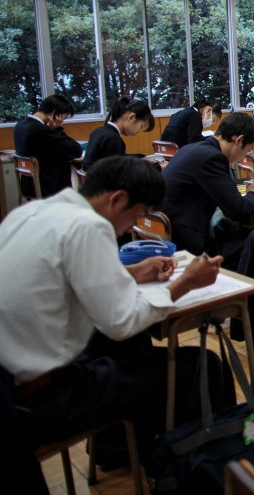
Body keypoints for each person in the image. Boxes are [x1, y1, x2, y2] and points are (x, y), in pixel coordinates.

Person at [0, 156, 222, 459]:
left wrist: (131, 273)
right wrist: (185, 283)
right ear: (117, 198)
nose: (128, 228)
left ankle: (119, 448)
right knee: (198, 364)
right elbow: (121, 322)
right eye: (136, 216)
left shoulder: (31, 212)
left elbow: (59, 280)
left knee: (130, 350)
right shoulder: (88, 226)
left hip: (12, 381)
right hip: (37, 402)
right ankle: (187, 465)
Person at [162, 111, 254, 257]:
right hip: (187, 242)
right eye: (248, 150)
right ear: (239, 139)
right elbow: (237, 210)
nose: (245, 155)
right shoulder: (212, 157)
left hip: (165, 231)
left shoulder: (190, 148)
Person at [13, 93, 83, 198]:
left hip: (28, 185)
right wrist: (58, 128)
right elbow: (76, 150)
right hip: (49, 186)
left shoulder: (20, 126)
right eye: (64, 118)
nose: (63, 121)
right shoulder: (41, 130)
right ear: (55, 113)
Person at [82, 97, 155, 170]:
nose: (139, 131)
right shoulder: (114, 139)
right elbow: (118, 174)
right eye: (141, 126)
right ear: (131, 117)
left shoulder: (98, 131)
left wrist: (139, 158)